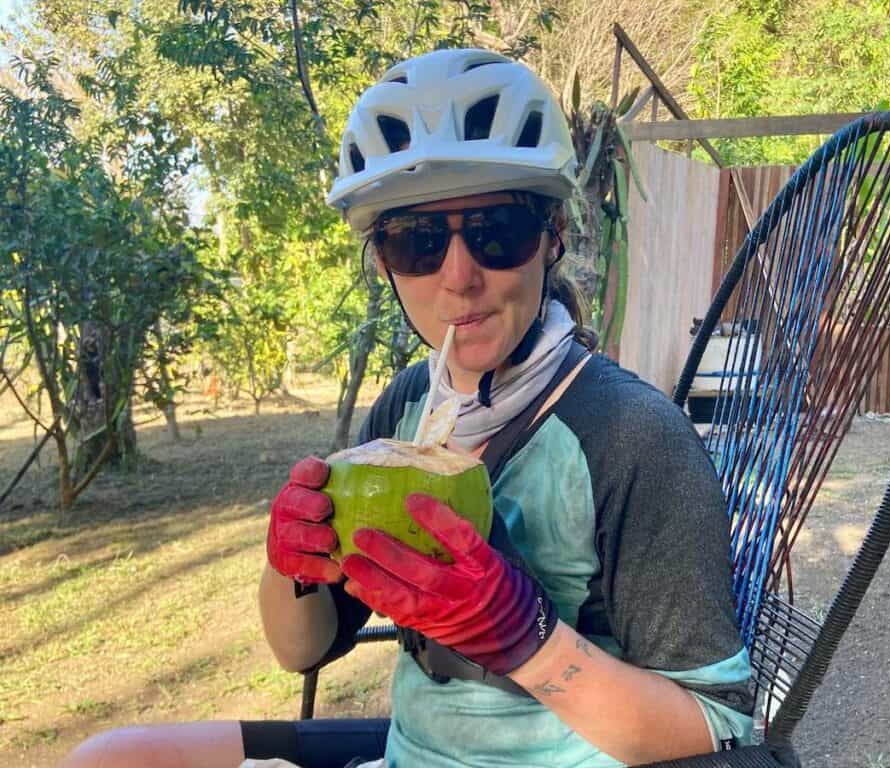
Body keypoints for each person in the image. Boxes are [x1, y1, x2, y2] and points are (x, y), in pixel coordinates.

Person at [61, 48, 753, 768]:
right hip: (407, 754)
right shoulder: (408, 408)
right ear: (384, 260)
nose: (459, 278)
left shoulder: (631, 437)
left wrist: (526, 637)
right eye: (417, 242)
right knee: (109, 757)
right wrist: (290, 563)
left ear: (552, 238)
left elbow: (714, 728)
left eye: (496, 232)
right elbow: (301, 649)